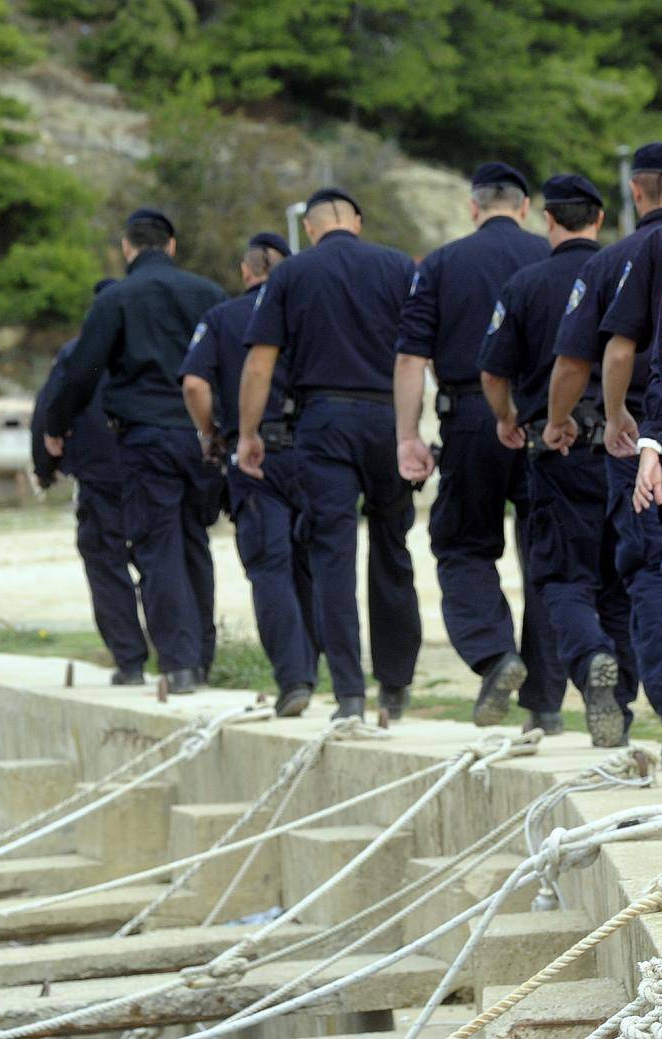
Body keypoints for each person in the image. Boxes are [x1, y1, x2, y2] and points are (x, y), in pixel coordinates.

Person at [545, 143, 662, 769]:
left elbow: (589, 356)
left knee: (650, 573)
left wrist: (594, 420)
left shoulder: (619, 258)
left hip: (644, 436)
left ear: (636, 192)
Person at [237, 188, 422, 722]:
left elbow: (258, 364)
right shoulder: (397, 267)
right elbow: (416, 354)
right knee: (392, 546)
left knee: (331, 556)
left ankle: (349, 695)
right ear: (357, 222)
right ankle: (396, 683)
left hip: (323, 421)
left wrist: (249, 433)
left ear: (313, 228)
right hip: (387, 417)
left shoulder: (291, 275)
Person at [394, 163, 566, 728]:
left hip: (469, 418)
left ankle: (496, 656)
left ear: (473, 207)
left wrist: (408, 436)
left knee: (464, 545)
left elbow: (411, 360)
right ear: (523, 207)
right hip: (546, 419)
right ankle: (544, 704)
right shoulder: (549, 257)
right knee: (545, 554)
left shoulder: (442, 264)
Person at [478, 174, 636, 742]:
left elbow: (493, 373)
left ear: (548, 220)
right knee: (622, 581)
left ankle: (591, 657)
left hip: (558, 447)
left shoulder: (525, 284)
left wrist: (509, 419)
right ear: (599, 218)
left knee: (562, 578)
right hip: (625, 448)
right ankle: (618, 706)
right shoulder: (626, 270)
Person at [45, 209, 225, 695]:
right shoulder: (208, 294)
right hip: (204, 435)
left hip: (147, 437)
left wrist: (56, 426)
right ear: (170, 245)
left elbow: (81, 373)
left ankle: (181, 664)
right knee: (195, 544)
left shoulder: (118, 299)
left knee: (158, 546)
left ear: (128, 248)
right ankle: (204, 658)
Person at [182, 233, 319, 717]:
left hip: (256, 454)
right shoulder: (308, 312)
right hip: (315, 452)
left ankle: (294, 678)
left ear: (245, 272)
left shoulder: (222, 319)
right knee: (314, 565)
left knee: (269, 569)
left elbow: (195, 383)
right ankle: (327, 674)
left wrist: (211, 435)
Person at [32, 278, 150, 687]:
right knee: (161, 560)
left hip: (100, 476)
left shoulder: (77, 355)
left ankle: (131, 660)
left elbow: (49, 410)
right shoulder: (153, 351)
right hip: (152, 471)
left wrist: (45, 466)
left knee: (106, 564)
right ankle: (182, 659)